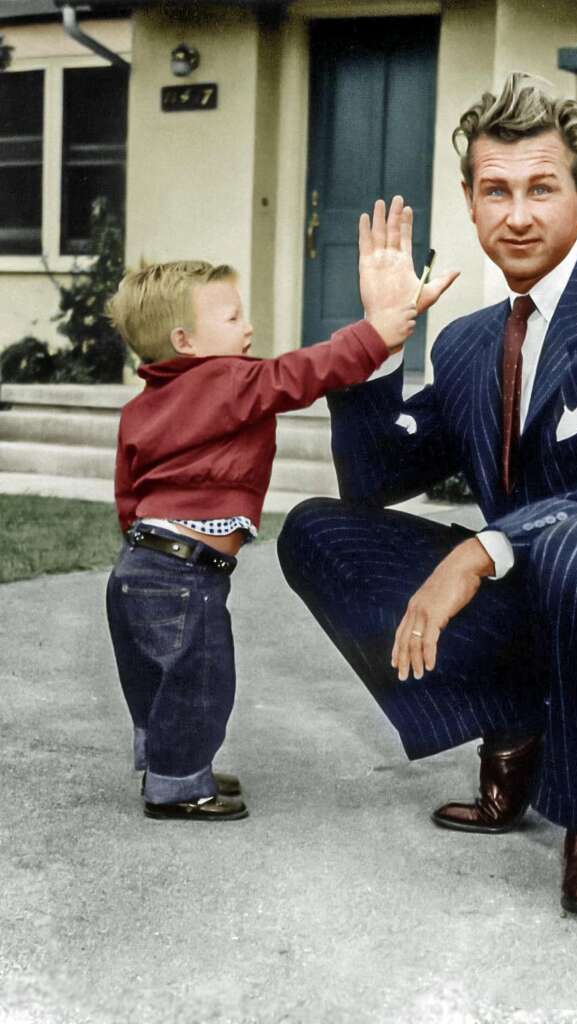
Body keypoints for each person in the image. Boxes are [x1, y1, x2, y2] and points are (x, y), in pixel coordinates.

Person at [277, 73, 577, 910]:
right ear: (469, 202)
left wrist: (480, 549)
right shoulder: (467, 344)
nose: (518, 215)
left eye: (541, 189)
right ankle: (516, 720)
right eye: (496, 191)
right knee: (316, 530)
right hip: (543, 606)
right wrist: (378, 342)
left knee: (571, 545)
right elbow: (373, 481)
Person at [105, 205, 457, 822]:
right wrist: (378, 332)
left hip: (138, 566)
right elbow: (302, 374)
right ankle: (178, 787)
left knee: (159, 678)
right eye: (232, 317)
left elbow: (127, 493)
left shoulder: (143, 406)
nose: (248, 327)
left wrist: (139, 547)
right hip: (186, 573)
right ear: (186, 343)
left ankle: (172, 766)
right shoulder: (226, 380)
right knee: (201, 680)